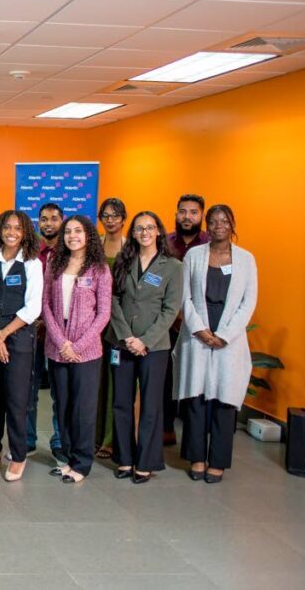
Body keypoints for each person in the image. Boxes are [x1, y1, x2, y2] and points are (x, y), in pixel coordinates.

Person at [175, 205, 257, 484]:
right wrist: (200, 330)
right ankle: (197, 457)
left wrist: (226, 334)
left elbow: (249, 302)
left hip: (229, 339)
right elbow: (184, 298)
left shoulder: (246, 259)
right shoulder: (193, 255)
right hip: (197, 334)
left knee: (224, 399)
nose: (219, 225)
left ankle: (218, 461)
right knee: (196, 397)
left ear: (233, 224)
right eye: (213, 221)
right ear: (207, 226)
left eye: (224, 221)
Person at [108, 211, 183, 484]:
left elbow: (170, 309)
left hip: (155, 347)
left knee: (151, 405)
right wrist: (127, 337)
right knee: (121, 403)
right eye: (139, 228)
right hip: (122, 342)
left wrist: (145, 341)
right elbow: (113, 300)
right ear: (134, 232)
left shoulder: (173, 267)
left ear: (159, 231)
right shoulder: (123, 261)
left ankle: (147, 461)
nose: (145, 232)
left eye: (150, 227)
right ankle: (125, 458)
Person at [42, 216, 112, 483]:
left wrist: (78, 346)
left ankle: (82, 463)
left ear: (88, 235)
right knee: (63, 406)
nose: (72, 235)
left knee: (82, 408)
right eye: (68, 231)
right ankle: (68, 458)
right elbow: (46, 305)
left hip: (87, 351)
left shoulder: (99, 269)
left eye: (78, 231)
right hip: (57, 347)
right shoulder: (55, 264)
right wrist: (61, 343)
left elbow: (104, 313)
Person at [0, 210, 43, 481]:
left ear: (25, 232)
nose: (12, 232)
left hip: (19, 336)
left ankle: (18, 455)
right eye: (7, 227)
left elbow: (33, 307)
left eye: (17, 228)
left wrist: (3, 335)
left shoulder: (32, 264)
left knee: (17, 399)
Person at [163, 193, 209, 445]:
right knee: (166, 377)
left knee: (195, 378)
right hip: (169, 322)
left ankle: (195, 433)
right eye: (183, 211)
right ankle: (166, 426)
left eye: (193, 212)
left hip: (199, 324)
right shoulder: (166, 243)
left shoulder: (210, 244)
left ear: (202, 215)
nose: (187, 216)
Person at [30, 202, 64, 464]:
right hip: (31, 329)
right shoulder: (31, 253)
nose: (48, 223)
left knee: (59, 391)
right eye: (44, 219)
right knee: (28, 389)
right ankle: (27, 440)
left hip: (59, 332)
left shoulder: (71, 254)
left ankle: (59, 442)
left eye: (54, 218)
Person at [95, 198, 127, 460]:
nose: (110, 219)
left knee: (116, 382)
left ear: (124, 218)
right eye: (105, 215)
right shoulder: (94, 247)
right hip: (94, 322)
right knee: (96, 380)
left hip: (120, 322)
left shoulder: (132, 247)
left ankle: (111, 438)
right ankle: (94, 436)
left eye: (115, 215)